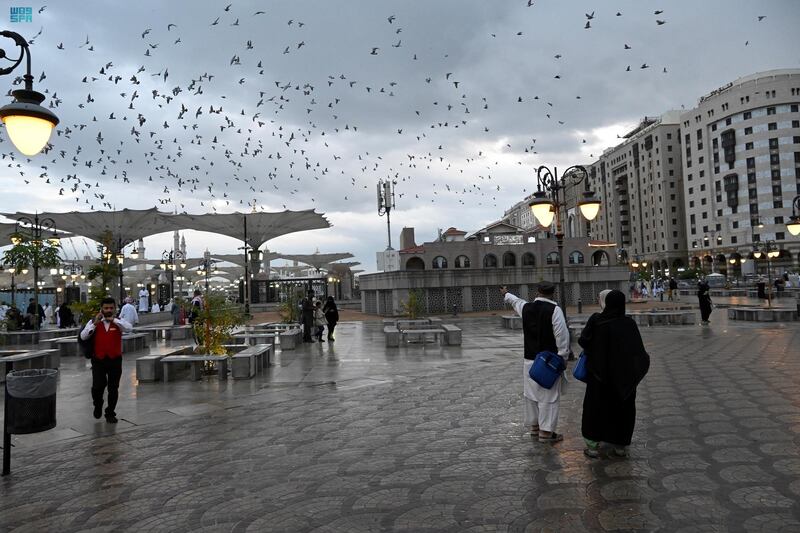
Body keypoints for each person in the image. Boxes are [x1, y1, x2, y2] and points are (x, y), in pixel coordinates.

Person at [578, 290, 650, 458]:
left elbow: (583, 341)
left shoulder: (596, 320)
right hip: (623, 380)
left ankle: (593, 447)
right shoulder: (629, 324)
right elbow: (639, 353)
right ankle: (619, 446)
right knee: (622, 412)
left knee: (595, 411)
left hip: (599, 378)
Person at [501, 281, 569, 443]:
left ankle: (534, 427)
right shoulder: (555, 310)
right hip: (548, 362)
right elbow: (562, 336)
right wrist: (563, 357)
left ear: (537, 292)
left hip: (529, 360)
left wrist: (506, 293)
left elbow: (515, 301)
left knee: (531, 395)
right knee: (549, 396)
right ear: (553, 293)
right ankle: (546, 432)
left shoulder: (526, 308)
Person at [79, 297, 133, 423]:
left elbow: (129, 328)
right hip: (99, 359)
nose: (108, 310)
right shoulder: (94, 322)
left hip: (115, 359)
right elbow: (83, 336)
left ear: (115, 309)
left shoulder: (119, 322)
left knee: (113, 388)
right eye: (106, 308)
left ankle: (110, 413)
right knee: (97, 386)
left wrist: (113, 320)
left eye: (111, 308)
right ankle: (98, 404)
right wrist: (95, 323)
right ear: (101, 309)